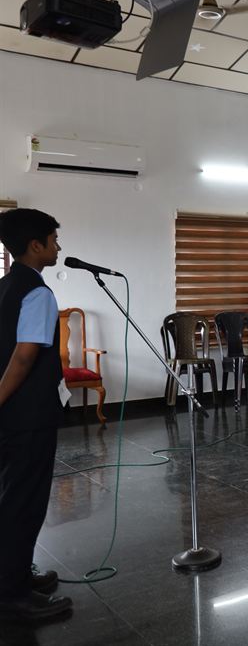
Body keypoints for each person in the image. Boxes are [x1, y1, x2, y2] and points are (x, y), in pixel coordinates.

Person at [0, 208, 72, 621]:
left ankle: (15, 576)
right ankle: (12, 595)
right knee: (23, 503)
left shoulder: (5, 286)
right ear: (35, 245)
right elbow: (25, 356)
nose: (58, 247)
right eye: (54, 240)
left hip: (10, 417)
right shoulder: (38, 293)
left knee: (11, 495)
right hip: (27, 416)